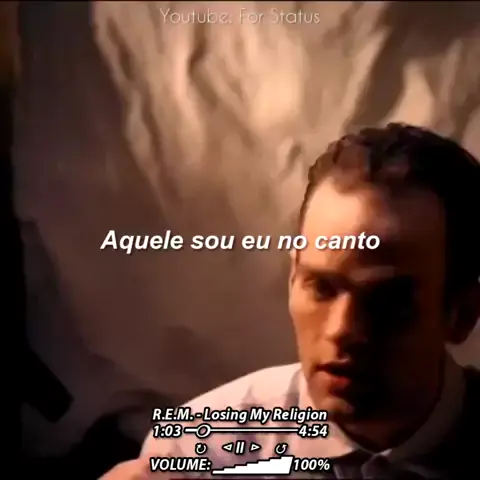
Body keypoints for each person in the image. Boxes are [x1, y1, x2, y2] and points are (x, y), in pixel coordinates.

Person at [102, 123, 480, 479]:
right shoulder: (198, 449)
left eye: (388, 301)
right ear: (293, 278)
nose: (343, 330)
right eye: (322, 287)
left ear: (461, 314)